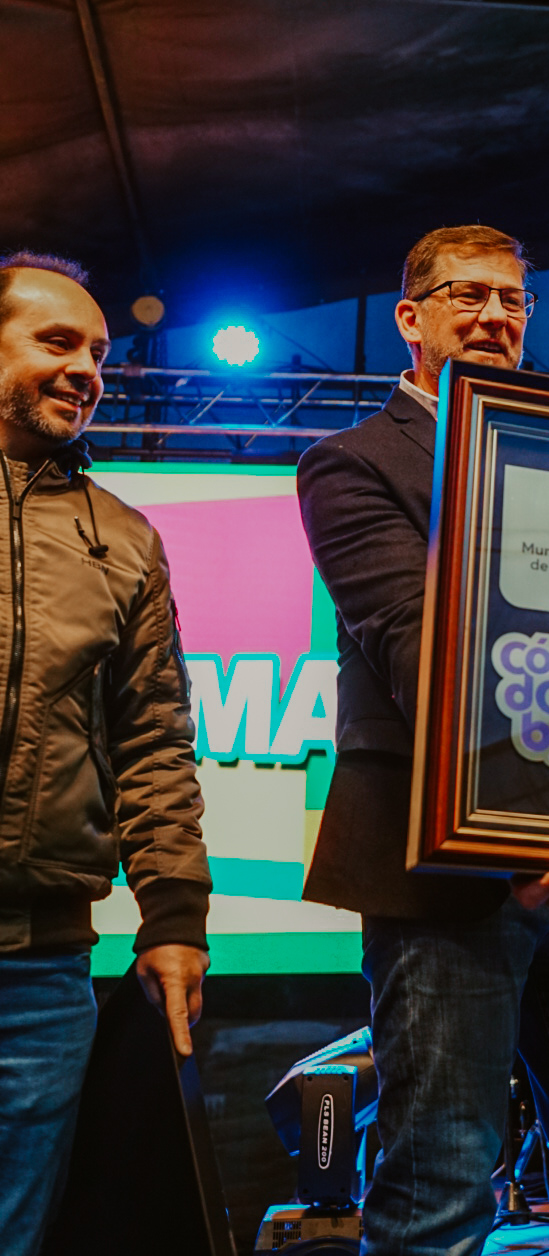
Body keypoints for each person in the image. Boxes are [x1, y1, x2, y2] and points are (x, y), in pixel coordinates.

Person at [298, 224, 549, 1256]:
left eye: (512, 300)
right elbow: (418, 646)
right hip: (446, 872)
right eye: (467, 295)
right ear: (410, 318)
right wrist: (525, 827)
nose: (495, 315)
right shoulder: (352, 462)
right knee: (441, 1184)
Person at [0, 253, 211, 1256]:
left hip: (39, 975)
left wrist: (174, 919)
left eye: (98, 352)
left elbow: (154, 742)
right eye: (58, 342)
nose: (87, 368)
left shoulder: (125, 540)